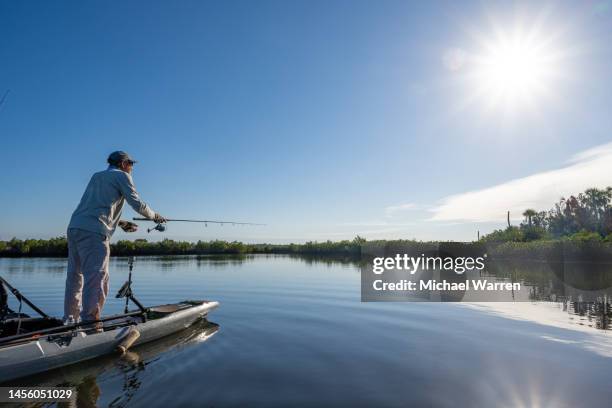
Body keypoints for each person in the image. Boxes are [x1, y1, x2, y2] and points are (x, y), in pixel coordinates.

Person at [64, 151, 165, 327]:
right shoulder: (122, 176)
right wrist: (154, 216)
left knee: (75, 277)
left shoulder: (97, 176)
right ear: (123, 163)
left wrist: (120, 223)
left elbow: (95, 205)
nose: (132, 168)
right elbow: (137, 204)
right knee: (97, 278)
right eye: (131, 164)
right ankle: (90, 323)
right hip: (94, 233)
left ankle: (70, 320)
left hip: (75, 227)